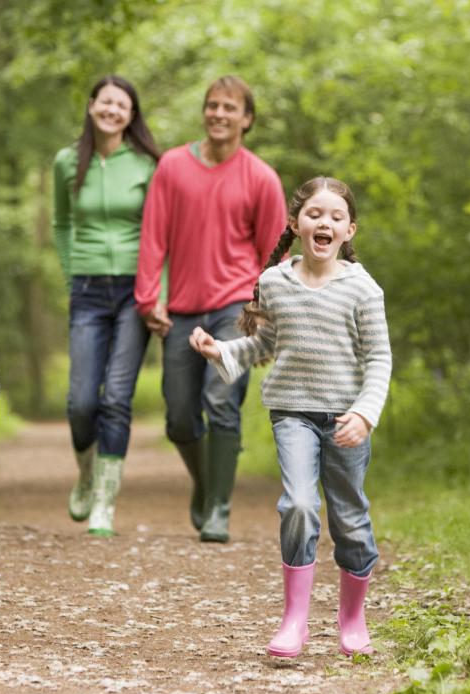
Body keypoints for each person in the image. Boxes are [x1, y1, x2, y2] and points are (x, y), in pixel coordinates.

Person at [188, 177, 391, 657]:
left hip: (346, 419)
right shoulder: (275, 281)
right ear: (298, 223)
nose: (325, 222)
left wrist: (365, 414)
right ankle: (295, 620)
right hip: (292, 413)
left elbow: (379, 358)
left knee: (350, 521)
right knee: (299, 505)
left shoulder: (363, 289)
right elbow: (266, 343)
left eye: (336, 217)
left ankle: (352, 618)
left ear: (350, 230)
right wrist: (221, 350)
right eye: (315, 214)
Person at [134, 75, 286, 543]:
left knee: (220, 402)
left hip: (234, 310)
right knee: (179, 415)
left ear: (247, 119)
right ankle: (207, 484)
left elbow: (274, 256)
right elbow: (153, 235)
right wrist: (147, 298)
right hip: (181, 309)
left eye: (229, 107)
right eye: (212, 105)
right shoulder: (173, 167)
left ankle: (219, 507)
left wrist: (265, 319)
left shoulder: (261, 177)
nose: (218, 113)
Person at [53, 76, 160, 537]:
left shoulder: (146, 165)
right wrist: (71, 271)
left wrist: (158, 292)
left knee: (116, 397)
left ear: (132, 115)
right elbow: (61, 223)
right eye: (106, 101)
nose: (113, 110)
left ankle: (104, 503)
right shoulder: (65, 162)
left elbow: (160, 232)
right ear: (92, 105)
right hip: (88, 289)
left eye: (123, 105)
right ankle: (86, 473)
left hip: (135, 291)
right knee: (81, 402)